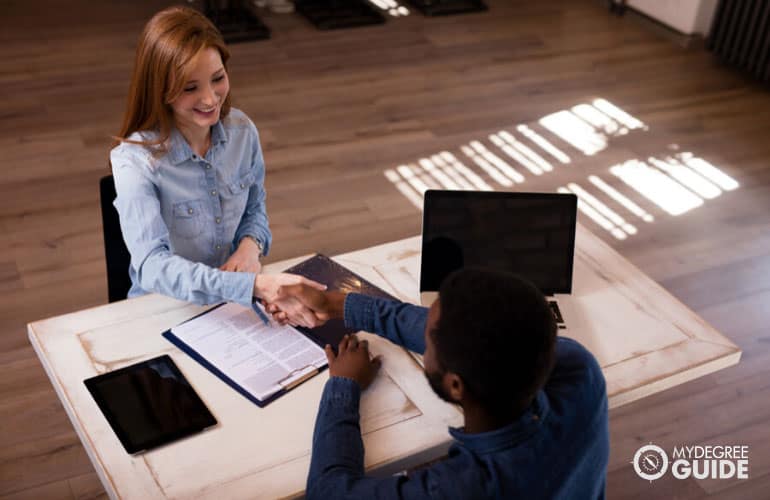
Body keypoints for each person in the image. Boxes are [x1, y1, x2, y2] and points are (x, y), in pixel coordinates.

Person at [269, 268, 609, 499]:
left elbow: (328, 493)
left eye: (430, 341)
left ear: (456, 386)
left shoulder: (457, 488)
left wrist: (343, 387)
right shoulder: (580, 370)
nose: (423, 336)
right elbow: (469, 334)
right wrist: (339, 304)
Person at [110, 6, 320, 324]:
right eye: (190, 88)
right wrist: (251, 286)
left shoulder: (242, 131)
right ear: (160, 90)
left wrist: (251, 246)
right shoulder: (133, 162)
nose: (210, 99)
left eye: (218, 78)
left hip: (234, 305)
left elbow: (255, 207)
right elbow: (152, 266)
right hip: (165, 311)